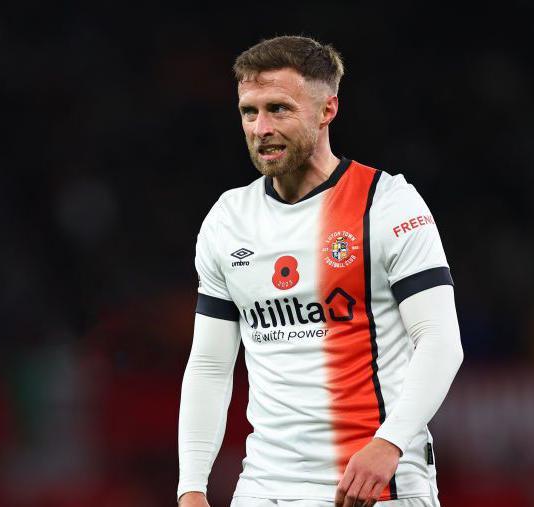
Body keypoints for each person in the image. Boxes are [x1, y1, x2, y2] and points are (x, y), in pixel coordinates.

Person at [177, 35, 463, 507]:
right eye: (249, 111)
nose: (261, 127)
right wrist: (191, 486)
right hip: (265, 486)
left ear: (328, 109)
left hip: (374, 483)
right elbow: (209, 365)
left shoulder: (386, 204)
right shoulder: (228, 219)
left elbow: (439, 341)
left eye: (279, 109)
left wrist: (389, 442)